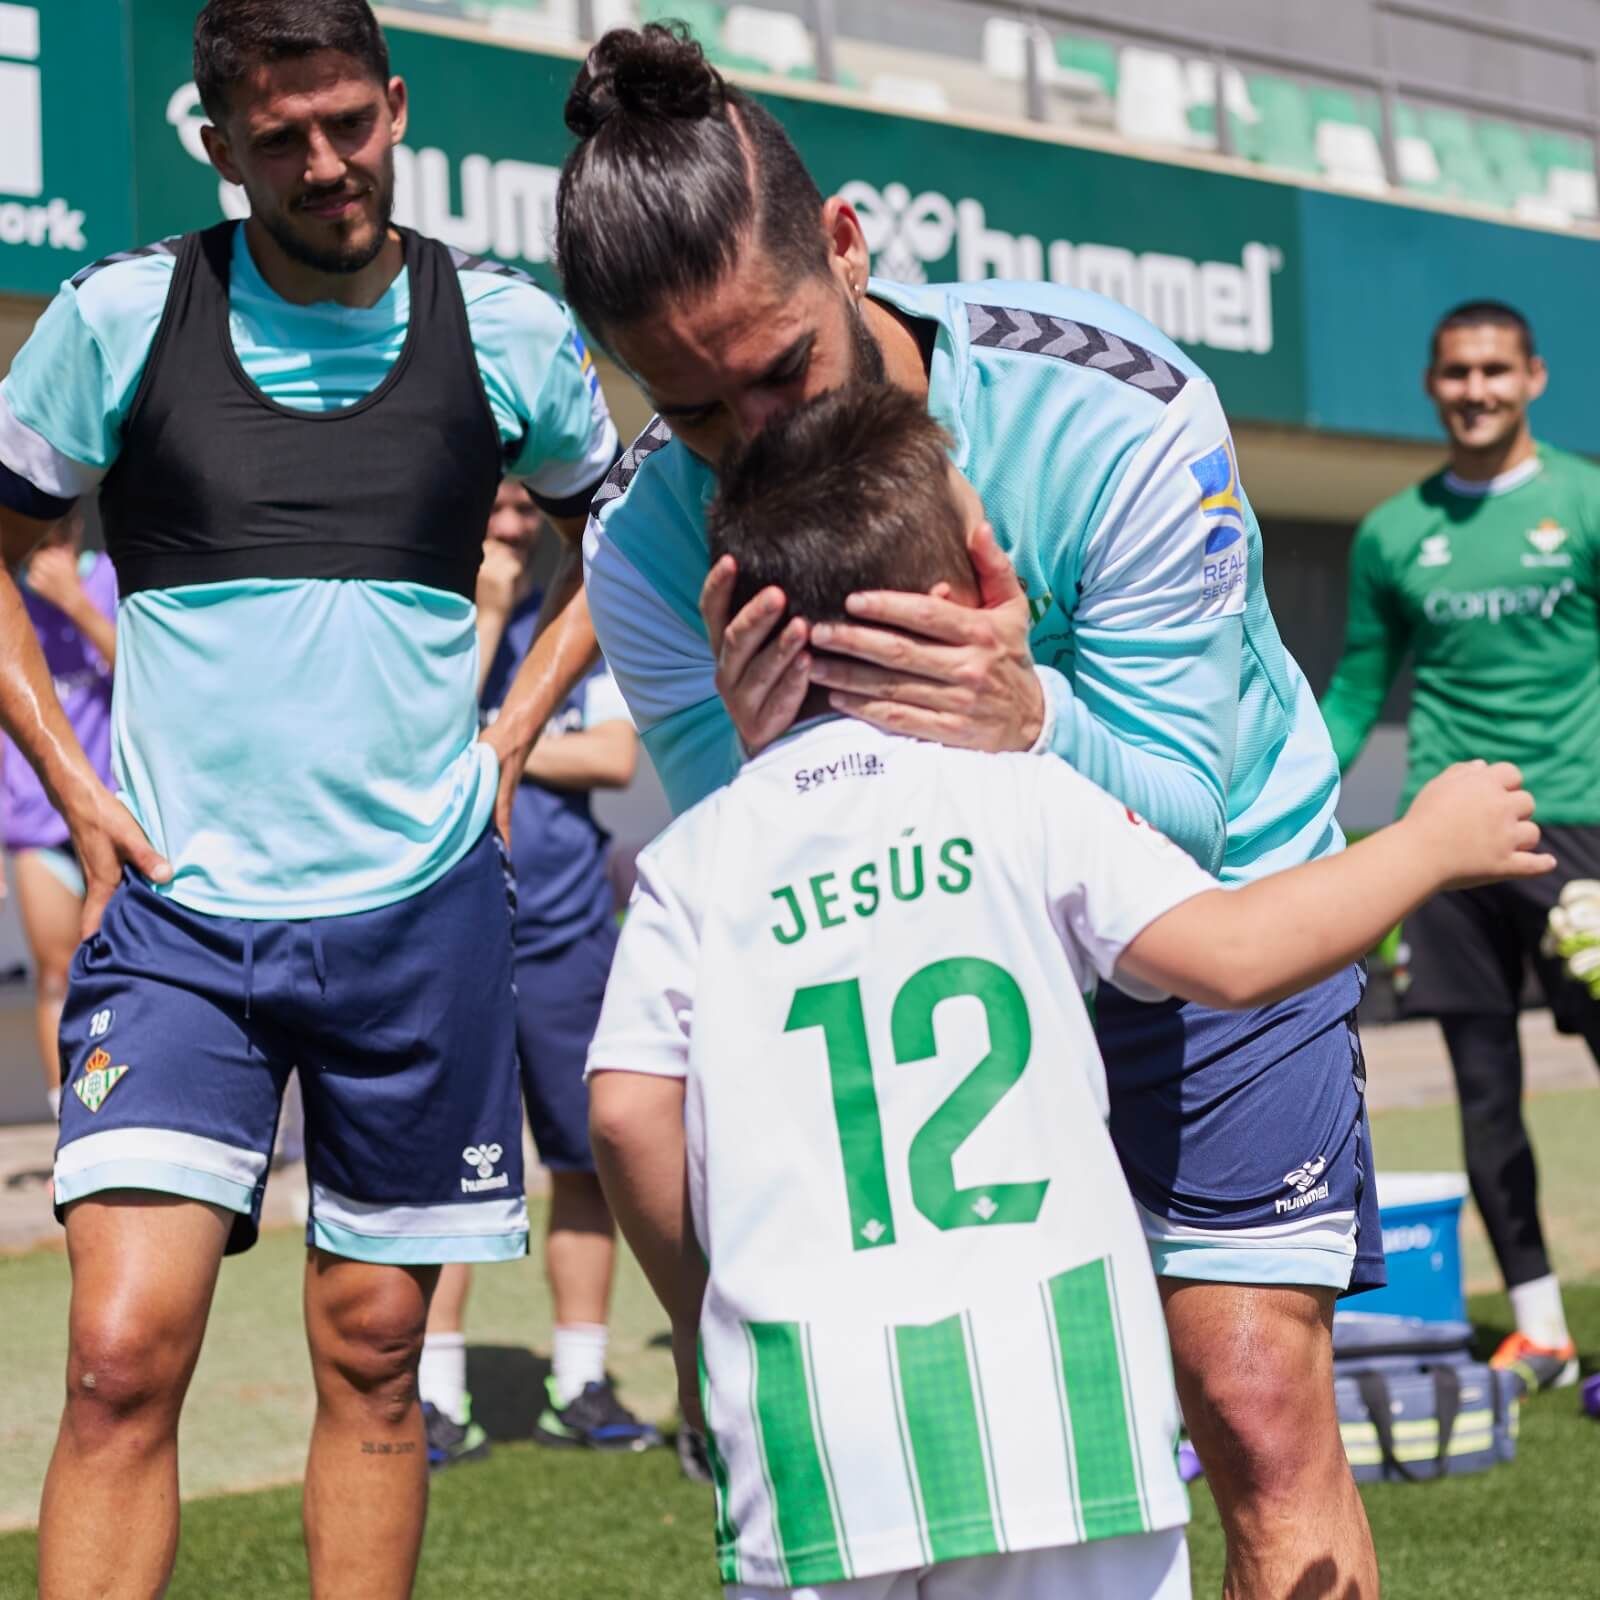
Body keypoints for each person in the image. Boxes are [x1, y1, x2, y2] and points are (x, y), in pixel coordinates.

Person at [563, 26, 1378, 1594]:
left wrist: (1032, 715)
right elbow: (754, 894)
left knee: (1257, 1401)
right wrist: (762, 762)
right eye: (697, 407)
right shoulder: (648, 543)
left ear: (850, 249)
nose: (756, 441)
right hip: (930, 995)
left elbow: (1189, 824)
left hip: (1213, 914)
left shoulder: (1116, 419)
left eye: (780, 369)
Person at [586, 385, 1549, 1600]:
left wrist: (695, 1318)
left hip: (812, 1433)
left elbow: (626, 1117)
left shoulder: (694, 862)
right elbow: (1237, 952)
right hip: (1060, 1411)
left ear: (733, 619)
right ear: (966, 596)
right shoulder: (1022, 795)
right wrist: (1426, 844)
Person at [0, 3, 616, 1594]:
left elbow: (627, 534)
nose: (326, 162)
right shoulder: (120, 317)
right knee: (121, 1355)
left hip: (418, 920)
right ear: (219, 143)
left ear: (396, 104)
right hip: (179, 922)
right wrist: (72, 781)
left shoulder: (510, 331)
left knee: (375, 1352)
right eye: (280, 136)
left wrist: (510, 735)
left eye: (349, 121)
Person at [1321, 299, 1600, 1392]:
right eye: (1454, 372)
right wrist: (1297, 802)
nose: (1474, 389)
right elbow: (1355, 684)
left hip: (1575, 827)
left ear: (1532, 376)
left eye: (1494, 370)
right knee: (1481, 1084)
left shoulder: (1583, 500)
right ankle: (1537, 1326)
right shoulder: (1394, 531)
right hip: (1443, 838)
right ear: (1431, 385)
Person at [419, 478, 660, 1466]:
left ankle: (582, 1378)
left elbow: (610, 758)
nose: (513, 527)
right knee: (438, 1172)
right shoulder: (420, 609)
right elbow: (412, 753)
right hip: (440, 936)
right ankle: (431, 1392)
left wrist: (486, 741)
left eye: (527, 507)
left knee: (584, 1157)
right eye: (494, 506)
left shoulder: (578, 611)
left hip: (564, 929)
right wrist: (481, 618)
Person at [0, 511, 116, 1118]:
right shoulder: (5, 596)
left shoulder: (112, 581)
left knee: (123, 973)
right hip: (36, 823)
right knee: (57, 976)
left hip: (115, 819)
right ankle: (69, 1120)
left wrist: (75, 603)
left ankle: (118, 1112)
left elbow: (145, 678)